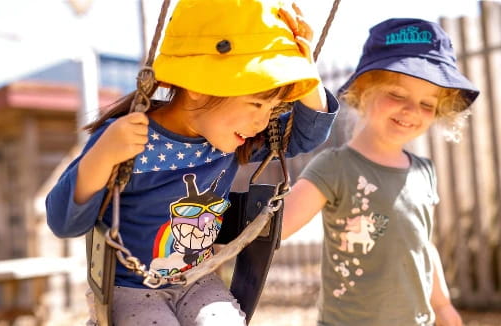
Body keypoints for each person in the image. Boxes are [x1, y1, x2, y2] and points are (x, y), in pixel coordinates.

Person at [46, 0, 339, 325]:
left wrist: (307, 72)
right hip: (129, 288)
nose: (262, 122)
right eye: (256, 103)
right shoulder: (129, 138)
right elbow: (64, 222)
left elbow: (302, 136)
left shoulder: (229, 140)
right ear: (199, 88)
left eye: (270, 110)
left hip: (198, 280)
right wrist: (102, 156)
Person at [282, 18, 479, 326]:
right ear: (363, 90)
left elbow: (422, 245)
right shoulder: (335, 167)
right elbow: (276, 229)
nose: (412, 111)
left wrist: (441, 305)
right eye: (397, 95)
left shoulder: (424, 172)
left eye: (427, 103)